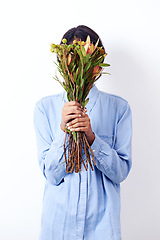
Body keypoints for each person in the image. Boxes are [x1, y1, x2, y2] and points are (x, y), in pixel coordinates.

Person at [34, 25, 132, 240]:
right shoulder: (45, 108)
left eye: (83, 57)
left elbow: (121, 172)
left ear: (97, 65)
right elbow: (51, 174)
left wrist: (92, 138)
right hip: (57, 226)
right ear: (62, 63)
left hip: (103, 227)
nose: (78, 65)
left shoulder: (119, 109)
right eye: (71, 57)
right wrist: (64, 130)